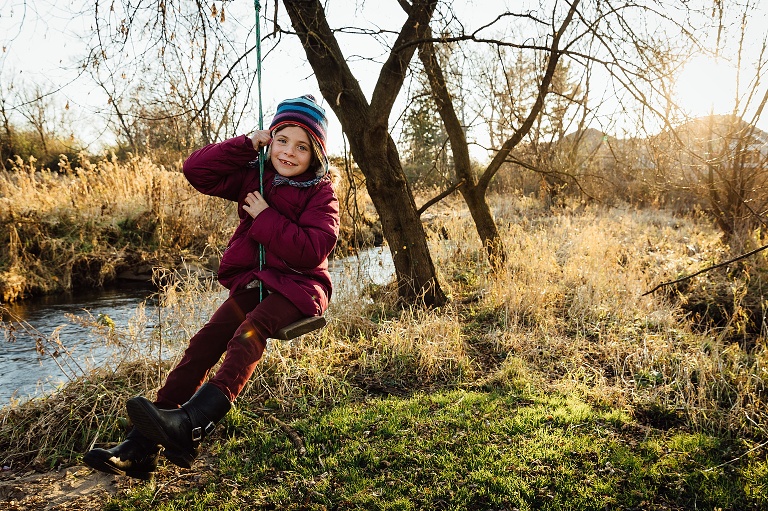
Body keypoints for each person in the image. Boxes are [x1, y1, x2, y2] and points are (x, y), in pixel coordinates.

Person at [84, 94, 340, 478]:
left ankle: (192, 425)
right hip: (257, 284)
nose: (289, 152)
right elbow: (196, 171)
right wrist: (244, 144)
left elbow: (313, 249)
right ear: (270, 138)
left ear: (316, 153)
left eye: (302, 146)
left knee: (246, 335)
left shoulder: (321, 192)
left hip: (298, 289)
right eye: (282, 139)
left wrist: (266, 217)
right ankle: (141, 446)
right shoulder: (256, 174)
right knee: (202, 345)